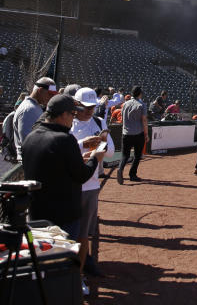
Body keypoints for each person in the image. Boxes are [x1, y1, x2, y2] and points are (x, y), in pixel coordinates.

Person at [21, 94, 105, 242]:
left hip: (36, 212)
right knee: (65, 257)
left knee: (40, 254)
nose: (74, 118)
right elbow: (82, 175)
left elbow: (52, 165)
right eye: (72, 114)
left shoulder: (30, 137)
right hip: (64, 215)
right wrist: (94, 159)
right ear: (63, 114)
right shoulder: (65, 139)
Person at [69, 87, 113, 283]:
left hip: (91, 184)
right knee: (68, 231)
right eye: (85, 107)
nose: (89, 111)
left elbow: (110, 151)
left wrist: (101, 144)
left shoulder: (99, 121)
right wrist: (84, 146)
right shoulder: (67, 123)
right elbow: (63, 151)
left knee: (85, 233)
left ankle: (80, 271)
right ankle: (68, 273)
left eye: (92, 107)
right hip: (70, 185)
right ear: (76, 105)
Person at [13, 77, 57, 161]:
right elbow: (28, 142)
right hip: (29, 163)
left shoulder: (34, 107)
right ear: (40, 90)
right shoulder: (29, 110)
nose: (51, 98)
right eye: (50, 94)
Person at [117, 86, 147, 184]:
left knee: (125, 155)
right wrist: (146, 134)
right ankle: (132, 175)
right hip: (138, 134)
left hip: (126, 133)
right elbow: (144, 120)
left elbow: (122, 117)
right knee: (137, 155)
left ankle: (120, 169)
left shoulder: (125, 104)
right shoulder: (142, 104)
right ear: (139, 94)